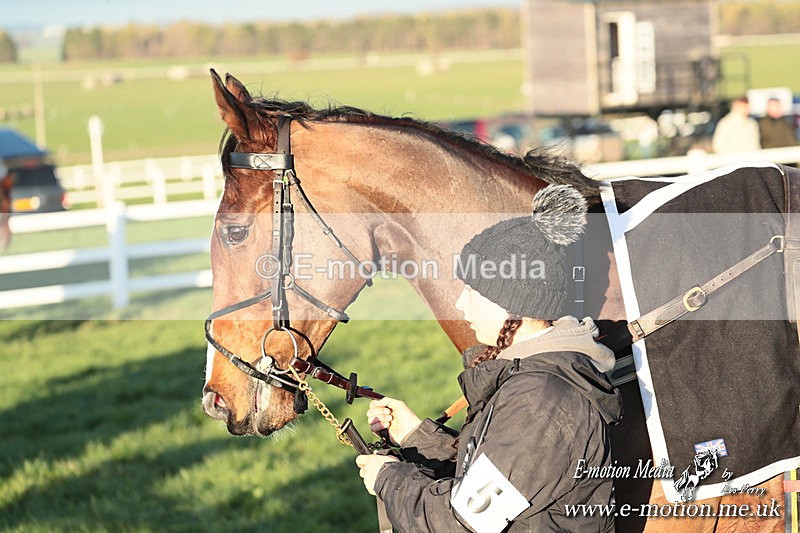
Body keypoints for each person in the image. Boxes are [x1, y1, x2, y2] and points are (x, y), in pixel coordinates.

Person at [355, 184, 623, 532]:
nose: (460, 304)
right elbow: (488, 476)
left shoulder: (542, 402)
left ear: (515, 306)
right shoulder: (529, 381)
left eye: (473, 291)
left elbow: (463, 523)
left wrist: (388, 478)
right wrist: (414, 437)